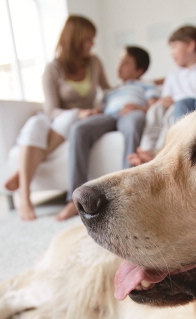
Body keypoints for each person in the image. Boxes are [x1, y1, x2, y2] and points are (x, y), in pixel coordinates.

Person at [4, 15, 111, 221]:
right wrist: (79, 112)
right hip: (58, 117)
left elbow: (107, 90)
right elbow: (51, 109)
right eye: (89, 38)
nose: (92, 43)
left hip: (79, 119)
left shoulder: (94, 63)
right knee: (35, 124)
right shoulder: (53, 68)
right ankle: (24, 197)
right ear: (76, 39)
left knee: (72, 120)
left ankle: (22, 172)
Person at [56, 46, 159, 221]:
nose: (120, 65)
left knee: (134, 123)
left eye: (126, 62)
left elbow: (155, 103)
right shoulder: (111, 92)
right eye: (120, 61)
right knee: (79, 129)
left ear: (139, 70)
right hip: (108, 116)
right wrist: (96, 111)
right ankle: (73, 200)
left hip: (130, 112)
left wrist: (140, 107)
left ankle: (127, 193)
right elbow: (102, 107)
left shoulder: (146, 84)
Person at [128, 25, 196, 166]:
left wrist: (174, 101)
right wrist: (163, 101)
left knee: (172, 112)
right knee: (156, 110)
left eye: (175, 47)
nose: (171, 53)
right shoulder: (173, 74)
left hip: (186, 109)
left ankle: (160, 151)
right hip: (170, 106)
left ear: (190, 46)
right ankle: (146, 150)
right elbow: (165, 97)